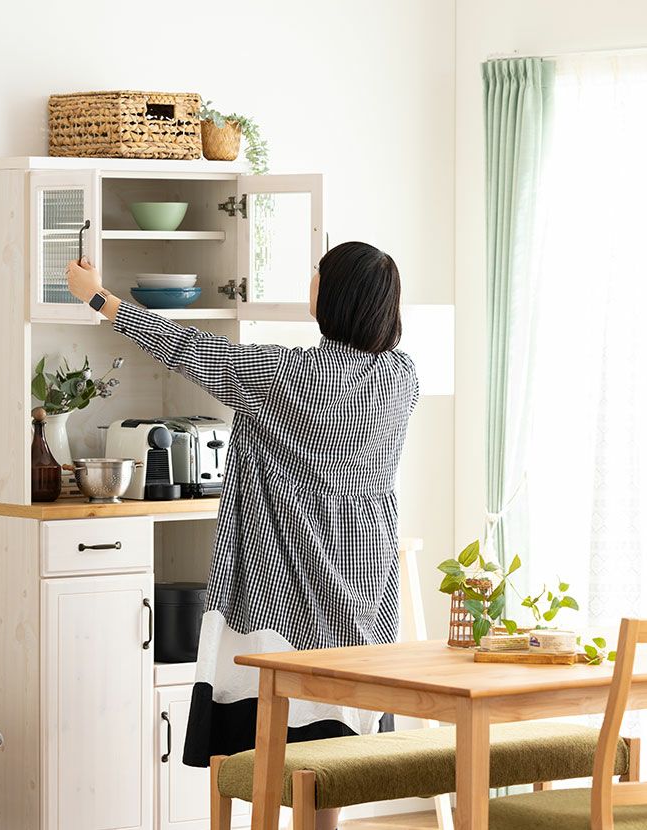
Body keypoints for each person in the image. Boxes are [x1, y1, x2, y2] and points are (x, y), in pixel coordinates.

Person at [67, 241, 418, 830]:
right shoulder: (401, 378)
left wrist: (99, 298)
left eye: (318, 273)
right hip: (364, 587)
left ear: (337, 295)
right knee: (334, 744)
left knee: (264, 742)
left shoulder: (284, 375)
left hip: (281, 589)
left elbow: (188, 349)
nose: (310, 278)